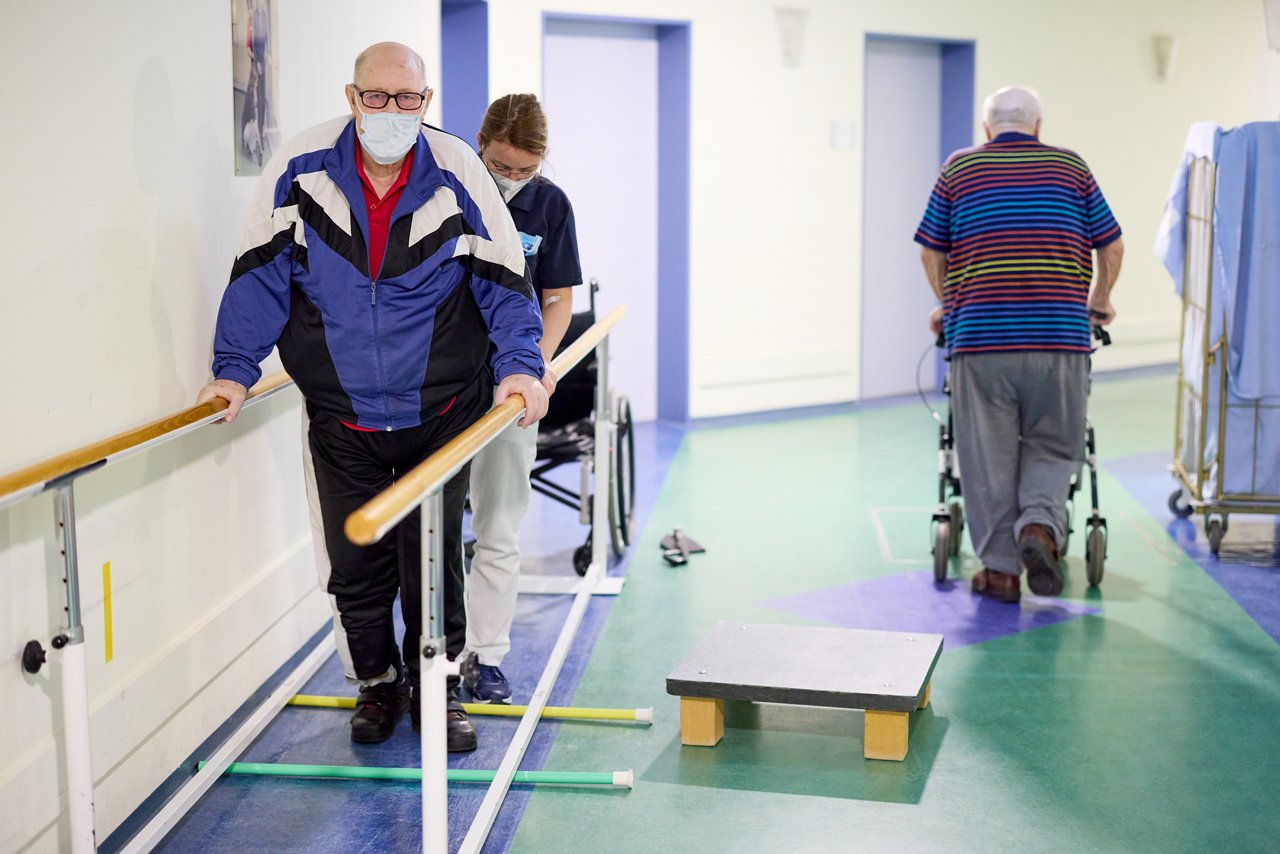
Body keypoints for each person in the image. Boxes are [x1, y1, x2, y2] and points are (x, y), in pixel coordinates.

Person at [198, 42, 549, 749]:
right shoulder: (300, 168)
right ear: (352, 95)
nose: (392, 111)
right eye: (378, 97)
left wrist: (520, 364)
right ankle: (378, 684)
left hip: (443, 412)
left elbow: (505, 281)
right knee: (354, 568)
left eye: (408, 99)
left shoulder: (459, 173)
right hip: (343, 414)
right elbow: (260, 273)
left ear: (426, 102)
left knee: (433, 561)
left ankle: (439, 686)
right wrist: (234, 367)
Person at [914, 85, 1123, 604]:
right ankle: (1038, 529)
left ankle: (1002, 572)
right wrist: (1101, 299)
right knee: (1055, 444)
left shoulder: (958, 169)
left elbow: (929, 251)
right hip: (1059, 339)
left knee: (987, 456)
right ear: (1038, 126)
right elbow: (1112, 242)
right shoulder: (1072, 167)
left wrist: (949, 303)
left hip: (981, 341)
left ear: (987, 130)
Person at [464, 94, 583, 702]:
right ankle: (426, 654)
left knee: (499, 523)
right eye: (500, 167)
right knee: (426, 526)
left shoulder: (550, 204)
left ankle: (484, 656)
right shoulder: (451, 185)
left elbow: (557, 297)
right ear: (480, 145)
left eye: (524, 172)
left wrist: (537, 359)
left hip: (513, 385)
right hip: (442, 381)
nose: (512, 181)